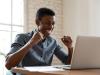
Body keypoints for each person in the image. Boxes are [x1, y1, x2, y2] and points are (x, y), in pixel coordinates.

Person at [5, 7, 73, 73]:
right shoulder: (22, 37)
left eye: (53, 24)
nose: (51, 27)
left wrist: (70, 47)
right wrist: (31, 42)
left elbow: (68, 62)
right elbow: (8, 64)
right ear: (37, 22)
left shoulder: (53, 42)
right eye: (47, 23)